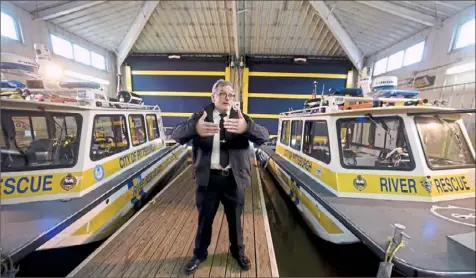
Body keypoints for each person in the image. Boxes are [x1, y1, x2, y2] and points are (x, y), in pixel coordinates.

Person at [171, 79, 269, 275]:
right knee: (204, 220)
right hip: (208, 180)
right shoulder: (201, 117)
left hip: (233, 180)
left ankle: (237, 253)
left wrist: (246, 128)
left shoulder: (241, 118)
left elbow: (264, 136)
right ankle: (199, 254)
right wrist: (195, 129)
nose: (227, 97)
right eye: (223, 93)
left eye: (231, 95)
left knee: (236, 221)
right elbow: (177, 134)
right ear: (213, 96)